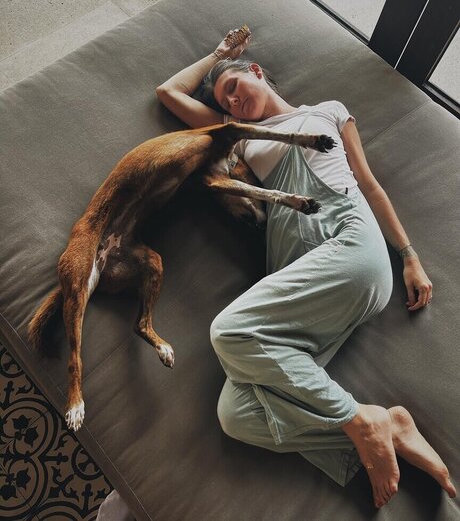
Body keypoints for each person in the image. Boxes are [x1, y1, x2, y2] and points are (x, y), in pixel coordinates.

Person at [156, 30, 456, 509]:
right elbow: (168, 93)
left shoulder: (328, 112)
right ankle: (385, 428)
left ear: (256, 72)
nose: (232, 101)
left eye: (234, 86)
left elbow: (371, 186)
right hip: (302, 283)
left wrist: (409, 256)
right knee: (236, 413)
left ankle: (360, 421)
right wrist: (217, 56)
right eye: (225, 101)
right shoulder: (239, 135)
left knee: (229, 331)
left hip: (351, 246)